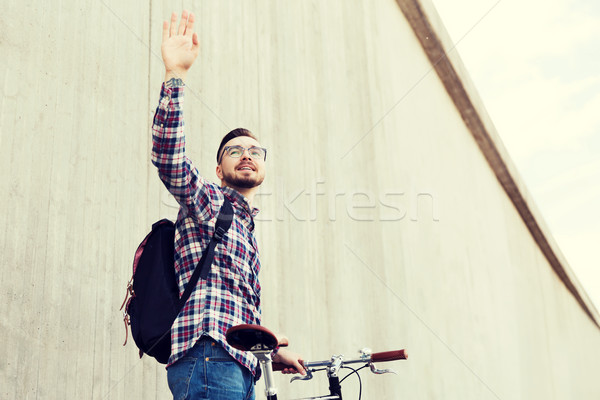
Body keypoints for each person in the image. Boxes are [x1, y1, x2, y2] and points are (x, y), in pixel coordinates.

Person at [152, 10, 305, 400]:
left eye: (255, 150)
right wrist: (176, 74)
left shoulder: (246, 226)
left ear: (265, 165)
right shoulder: (208, 202)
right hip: (208, 355)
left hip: (241, 366)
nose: (246, 155)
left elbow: (231, 297)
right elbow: (170, 159)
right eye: (234, 151)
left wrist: (269, 348)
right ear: (219, 170)